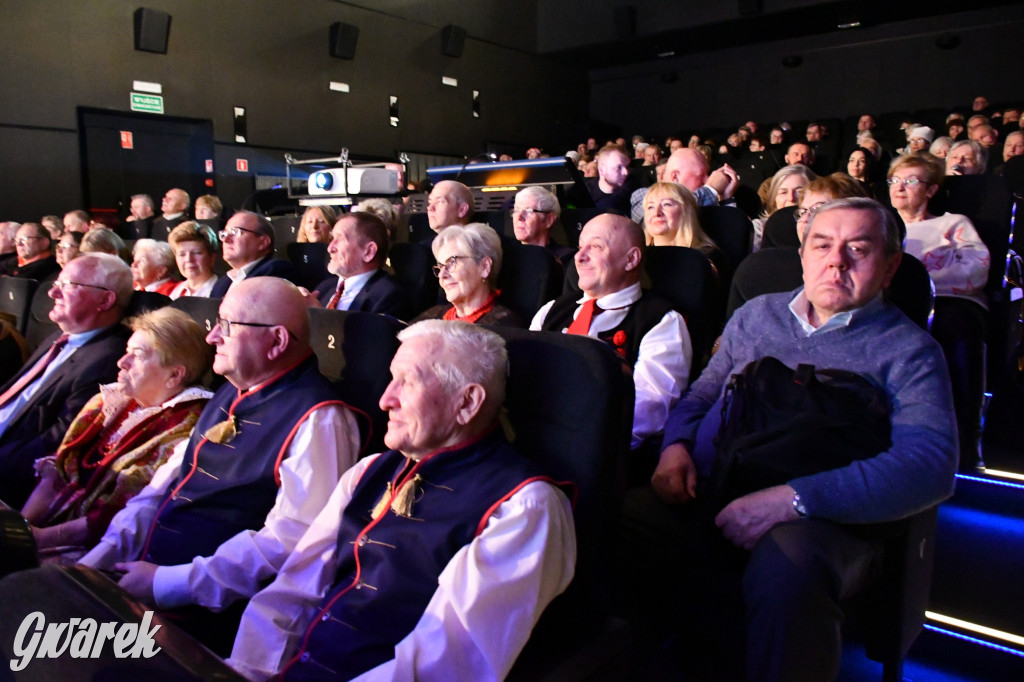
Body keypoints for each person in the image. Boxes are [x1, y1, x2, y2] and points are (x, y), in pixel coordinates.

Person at [652, 197, 957, 681]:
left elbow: (930, 464)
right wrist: (676, 446)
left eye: (858, 248)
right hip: (720, 482)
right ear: (803, 255)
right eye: (822, 245)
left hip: (827, 518)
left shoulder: (909, 350)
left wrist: (792, 502)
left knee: (786, 569)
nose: (836, 260)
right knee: (621, 522)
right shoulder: (755, 316)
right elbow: (702, 394)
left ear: (890, 265)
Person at [226, 320, 575, 681]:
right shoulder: (369, 470)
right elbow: (293, 591)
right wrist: (244, 671)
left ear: (467, 402)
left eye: (406, 382)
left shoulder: (523, 509)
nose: (385, 399)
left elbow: (442, 667)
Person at [80, 277, 361, 651]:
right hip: (137, 580)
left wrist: (168, 583)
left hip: (199, 620)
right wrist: (105, 553)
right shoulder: (231, 389)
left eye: (227, 327)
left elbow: (289, 543)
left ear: (276, 341)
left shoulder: (320, 419)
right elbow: (165, 485)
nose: (212, 337)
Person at [21, 308, 213, 560]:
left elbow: (124, 515)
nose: (122, 362)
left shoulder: (186, 428)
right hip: (47, 526)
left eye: (138, 355)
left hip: (99, 551)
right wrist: (21, 527)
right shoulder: (109, 401)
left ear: (174, 375)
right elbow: (57, 471)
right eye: (126, 352)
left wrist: (40, 540)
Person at [532, 213, 691, 452]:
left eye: (596, 246)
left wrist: (569, 440)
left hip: (600, 453)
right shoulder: (550, 310)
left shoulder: (662, 322)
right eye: (579, 246)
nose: (579, 257)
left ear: (631, 259)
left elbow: (646, 411)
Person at [0, 254, 133, 508]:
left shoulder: (109, 359)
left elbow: (60, 442)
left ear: (105, 299)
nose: (52, 293)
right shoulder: (58, 339)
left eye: (68, 285)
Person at [888, 153, 990, 468]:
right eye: (894, 181)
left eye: (910, 181)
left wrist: (923, 282)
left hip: (948, 301)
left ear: (931, 190)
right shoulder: (881, 228)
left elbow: (977, 270)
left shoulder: (952, 223)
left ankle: (964, 442)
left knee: (953, 324)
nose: (899, 187)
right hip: (892, 302)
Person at [415, 223, 524, 327]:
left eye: (452, 262)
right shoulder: (433, 314)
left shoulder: (503, 324)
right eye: (440, 266)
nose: (442, 275)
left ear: (484, 267)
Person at [309, 212, 410, 318]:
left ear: (369, 251)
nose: (330, 248)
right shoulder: (325, 287)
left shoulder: (388, 296)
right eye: (332, 239)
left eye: (341, 239)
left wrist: (317, 316)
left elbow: (367, 334)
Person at [642, 181, 726, 276]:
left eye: (667, 204)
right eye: (650, 207)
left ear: (686, 213)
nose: (656, 213)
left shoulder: (706, 258)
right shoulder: (637, 259)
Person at [209, 211, 296, 297]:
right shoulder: (221, 283)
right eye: (224, 234)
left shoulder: (276, 271)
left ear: (263, 243)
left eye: (234, 232)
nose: (226, 240)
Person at [753, 165, 818, 250]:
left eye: (799, 192)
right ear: (774, 198)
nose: (791, 198)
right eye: (783, 192)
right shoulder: (760, 228)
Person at [511, 186, 575, 267]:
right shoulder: (507, 257)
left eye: (528, 211)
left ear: (549, 220)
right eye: (516, 210)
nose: (519, 217)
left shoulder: (567, 259)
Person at [168, 221, 219, 299]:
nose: (188, 259)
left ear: (212, 257)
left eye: (196, 253)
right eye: (182, 254)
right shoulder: (174, 292)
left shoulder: (222, 291)